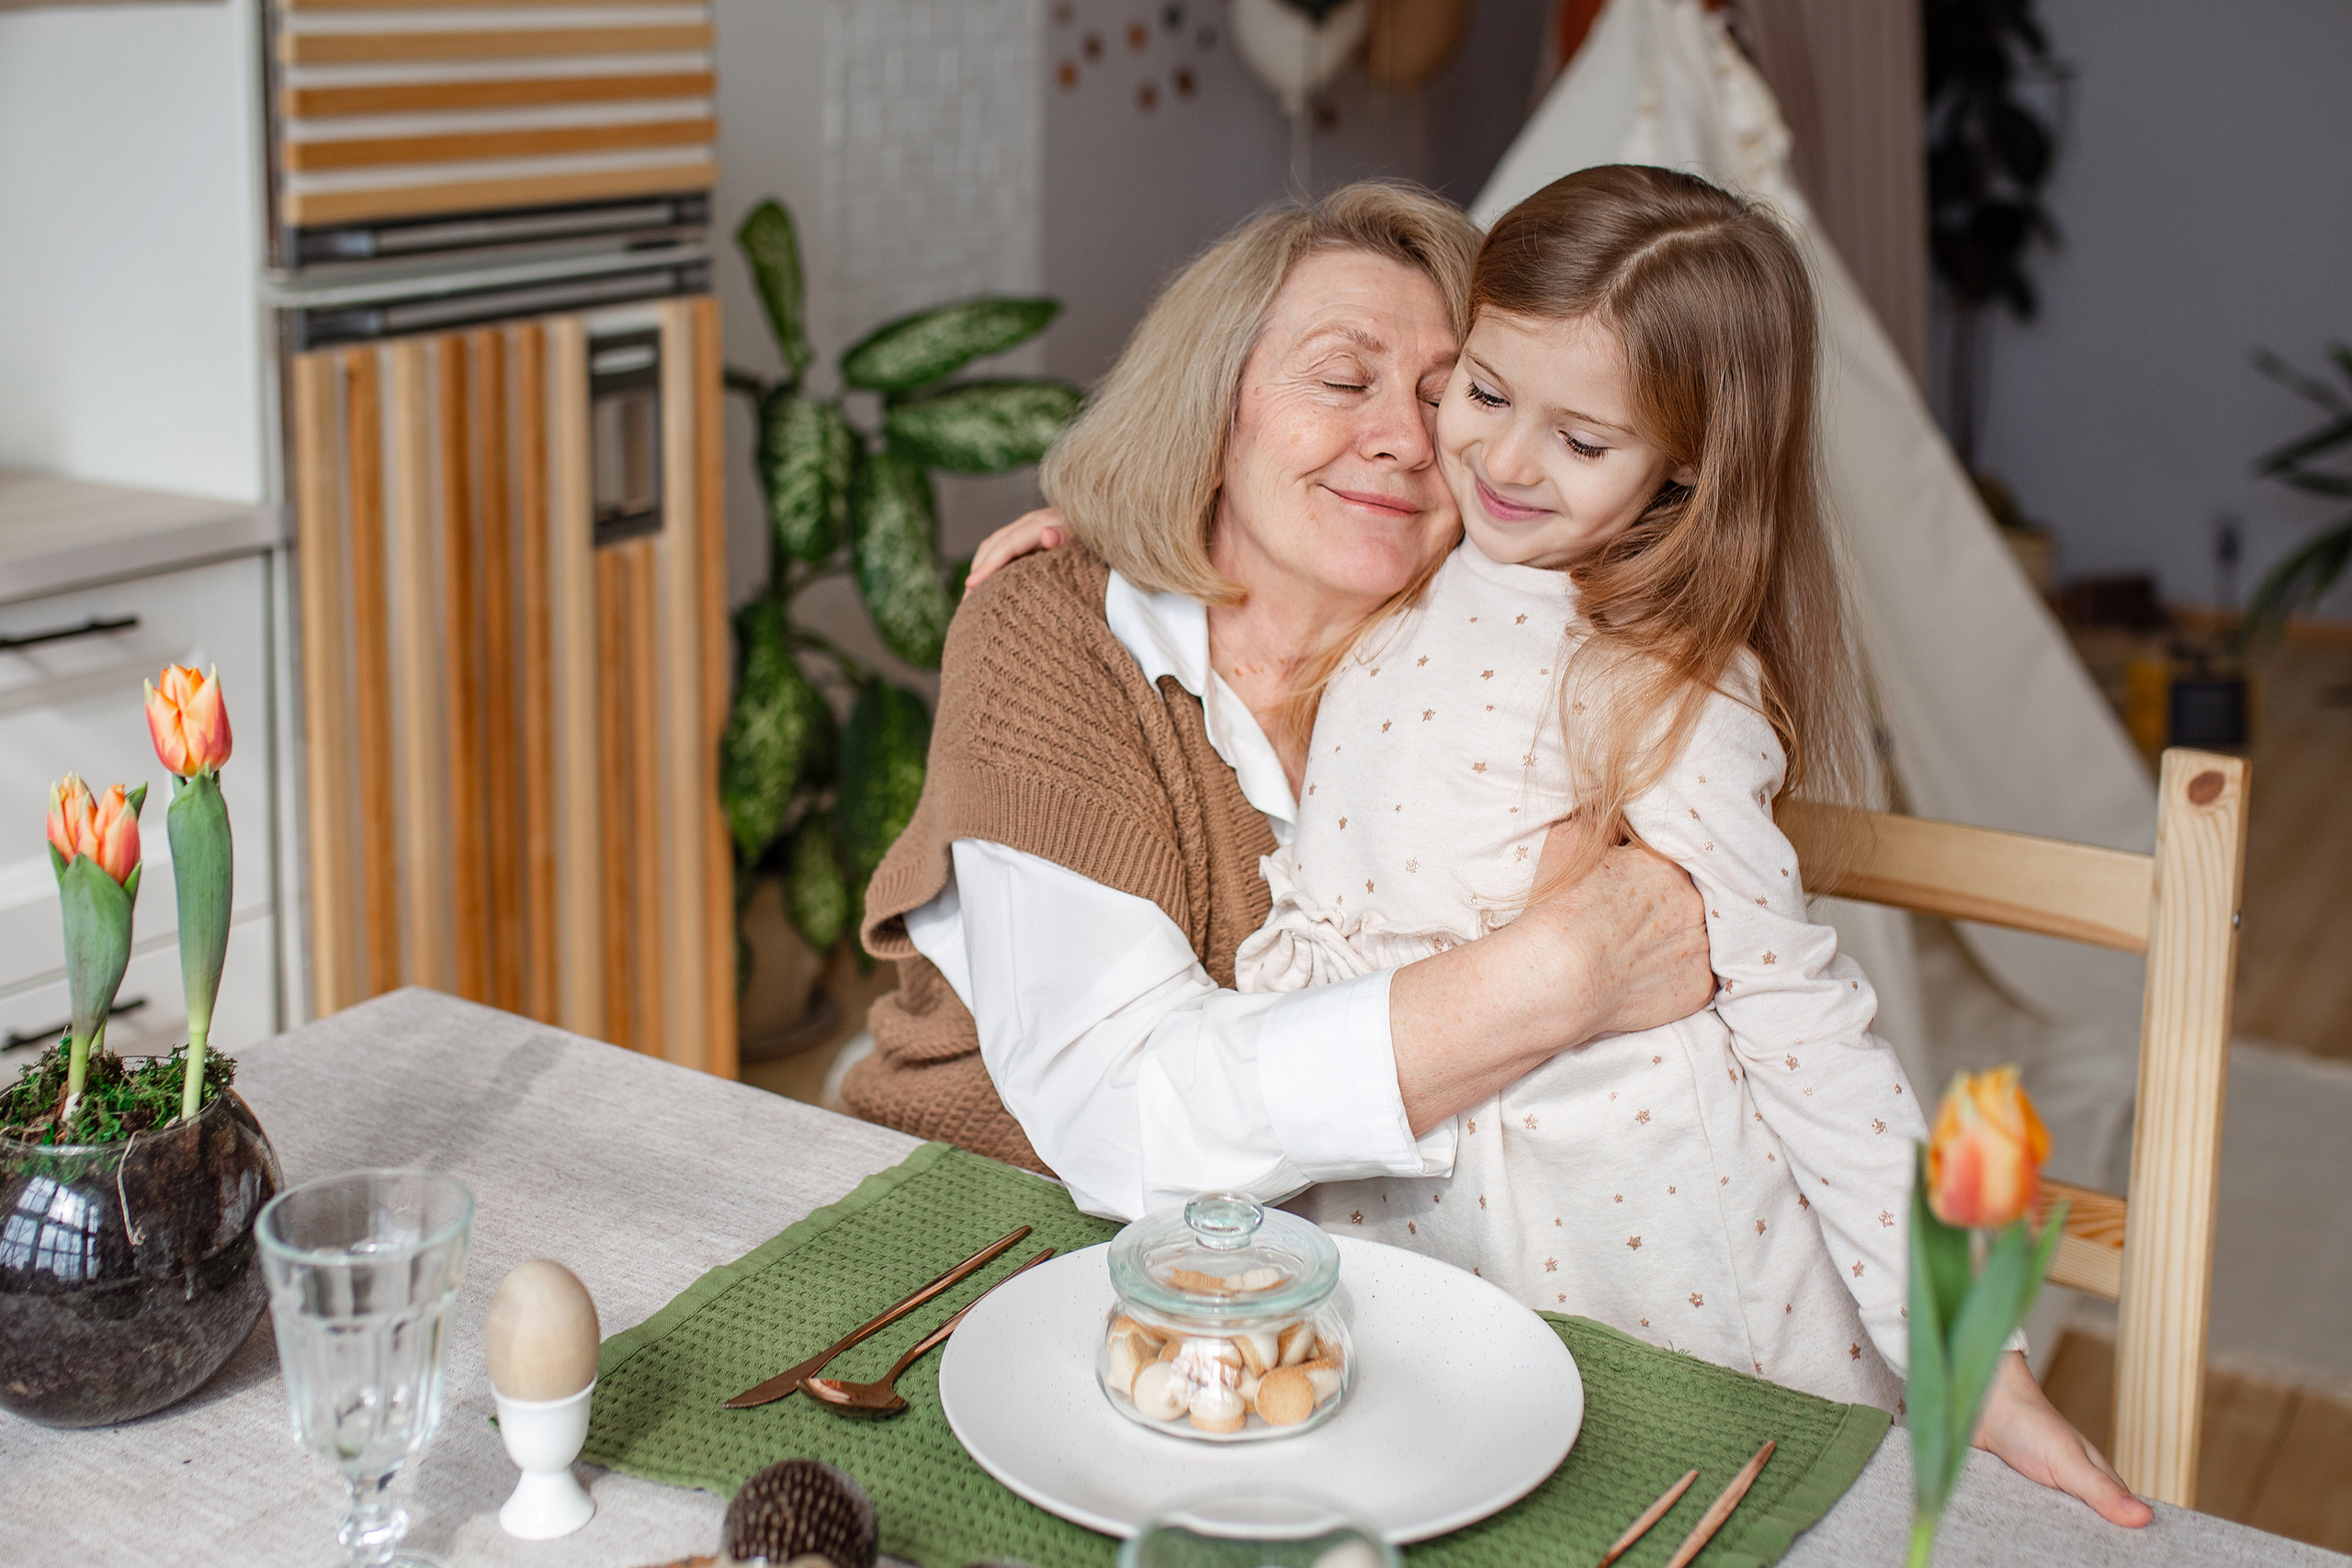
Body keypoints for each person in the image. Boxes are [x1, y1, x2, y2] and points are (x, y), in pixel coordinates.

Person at [887, 180, 2150, 1527]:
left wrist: (1976, 1355)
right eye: (1348, 380)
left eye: (1440, 388)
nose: (1433, 446)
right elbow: (1125, 1120)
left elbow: (1810, 1029)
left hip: (1521, 1284)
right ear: (1216, 399)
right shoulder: (1116, 633)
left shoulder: (1528, 619)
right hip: (1072, 1265)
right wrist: (1557, 970)